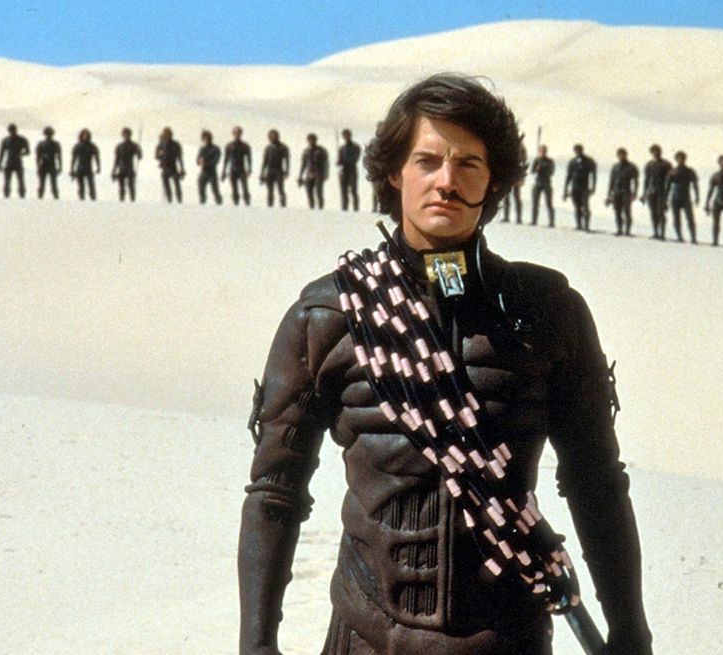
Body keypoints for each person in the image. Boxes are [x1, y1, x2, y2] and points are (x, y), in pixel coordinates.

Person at [238, 72, 652, 655]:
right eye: (427, 161)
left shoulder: (547, 312)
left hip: (507, 641)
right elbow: (274, 492)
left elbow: (597, 483)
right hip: (366, 638)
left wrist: (631, 632)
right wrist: (256, 645)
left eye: (468, 165)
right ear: (394, 173)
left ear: (494, 181)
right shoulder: (327, 316)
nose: (447, 182)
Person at [665, 150, 699, 243]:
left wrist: (697, 197)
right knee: (676, 219)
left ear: (685, 159)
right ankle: (679, 237)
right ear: (676, 159)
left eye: (682, 158)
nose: (680, 160)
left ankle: (693, 238)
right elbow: (667, 187)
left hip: (686, 198)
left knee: (690, 218)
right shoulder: (672, 171)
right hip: (675, 197)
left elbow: (695, 184)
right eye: (679, 158)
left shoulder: (689, 171)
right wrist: (665, 199)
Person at [606, 147, 638, 236]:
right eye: (619, 155)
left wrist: (634, 193)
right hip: (616, 192)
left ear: (626, 155)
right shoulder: (615, 167)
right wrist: (609, 194)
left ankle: (627, 231)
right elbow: (611, 181)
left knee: (627, 212)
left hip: (626, 192)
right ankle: (619, 230)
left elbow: (636, 181)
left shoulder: (631, 167)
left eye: (623, 154)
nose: (621, 156)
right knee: (617, 211)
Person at [641, 144, 671, 240]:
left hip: (661, 192)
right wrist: (644, 193)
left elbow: (669, 180)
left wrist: (667, 193)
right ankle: (655, 233)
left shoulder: (666, 164)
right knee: (653, 213)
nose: (655, 153)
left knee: (661, 213)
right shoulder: (649, 164)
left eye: (657, 151)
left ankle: (662, 234)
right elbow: (646, 179)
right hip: (651, 191)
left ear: (660, 152)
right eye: (653, 151)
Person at [563, 143, 596, 231]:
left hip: (584, 187)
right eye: (576, 150)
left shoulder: (588, 161)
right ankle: (579, 225)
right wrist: (565, 189)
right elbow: (568, 176)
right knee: (577, 207)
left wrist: (593, 187)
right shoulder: (572, 162)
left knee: (585, 206)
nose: (578, 152)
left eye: (579, 150)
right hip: (575, 187)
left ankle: (586, 226)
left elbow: (593, 175)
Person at [0, 123, 30, 199]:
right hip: (9, 162)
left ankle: (22, 196)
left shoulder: (22, 139)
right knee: (7, 181)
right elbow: (1, 153)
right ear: (9, 131)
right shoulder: (5, 140)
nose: (12, 132)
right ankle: (6, 197)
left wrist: (22, 153)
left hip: (18, 162)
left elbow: (28, 151)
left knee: (21, 180)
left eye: (13, 130)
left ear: (16, 130)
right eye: (10, 130)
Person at [260, 129, 291, 208]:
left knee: (280, 189)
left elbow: (287, 160)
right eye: (271, 136)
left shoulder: (283, 147)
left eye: (275, 136)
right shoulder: (268, 148)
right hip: (270, 171)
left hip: (279, 170)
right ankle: (270, 207)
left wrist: (287, 171)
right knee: (270, 191)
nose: (273, 137)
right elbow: (265, 162)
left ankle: (283, 206)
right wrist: (262, 173)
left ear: (278, 136)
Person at [298, 133, 329, 209]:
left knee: (319, 193)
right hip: (309, 173)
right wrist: (300, 176)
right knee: (309, 193)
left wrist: (326, 173)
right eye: (310, 140)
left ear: (316, 140)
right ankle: (311, 209)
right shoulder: (306, 151)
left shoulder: (321, 150)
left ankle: (321, 209)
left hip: (319, 173)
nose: (311, 141)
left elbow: (326, 163)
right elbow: (303, 164)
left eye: (313, 140)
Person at [224, 126, 253, 206]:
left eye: (239, 132)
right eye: (236, 132)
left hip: (241, 170)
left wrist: (249, 169)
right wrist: (224, 171)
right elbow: (226, 159)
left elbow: (249, 159)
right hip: (232, 170)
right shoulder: (229, 145)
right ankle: (235, 205)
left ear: (241, 134)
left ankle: (247, 204)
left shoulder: (245, 146)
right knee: (234, 189)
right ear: (233, 134)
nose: (237, 134)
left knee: (245, 188)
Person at [111, 127, 142, 202]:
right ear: (122, 135)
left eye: (128, 134)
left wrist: (139, 151)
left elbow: (139, 157)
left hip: (130, 169)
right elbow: (116, 160)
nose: (126, 136)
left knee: (131, 186)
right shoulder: (119, 146)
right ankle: (121, 201)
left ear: (130, 135)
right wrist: (113, 171)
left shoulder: (134, 145)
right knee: (121, 187)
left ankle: (132, 201)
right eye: (125, 134)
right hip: (121, 169)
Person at [70, 128, 101, 201]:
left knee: (91, 185)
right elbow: (73, 159)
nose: (85, 137)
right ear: (81, 136)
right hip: (80, 168)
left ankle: (93, 199)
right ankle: (81, 199)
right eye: (83, 135)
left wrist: (98, 167)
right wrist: (72, 169)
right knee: (81, 186)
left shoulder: (92, 146)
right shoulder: (77, 146)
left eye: (86, 135)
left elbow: (97, 157)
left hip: (88, 168)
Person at [156, 127, 185, 203]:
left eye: (169, 134)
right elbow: (156, 156)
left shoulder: (176, 145)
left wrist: (182, 169)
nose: (167, 136)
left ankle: (179, 201)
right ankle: (169, 201)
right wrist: (160, 154)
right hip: (165, 167)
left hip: (173, 167)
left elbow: (180, 158)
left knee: (177, 184)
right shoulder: (161, 144)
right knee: (166, 186)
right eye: (166, 134)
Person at [501, 142, 527, 223]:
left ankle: (519, 218)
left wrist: (521, 179)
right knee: (506, 198)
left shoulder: (522, 151)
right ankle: (506, 216)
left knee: (516, 198)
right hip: (509, 177)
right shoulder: (509, 149)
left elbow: (523, 166)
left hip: (516, 177)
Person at [529, 145, 555, 227]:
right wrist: (537, 169)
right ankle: (534, 220)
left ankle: (551, 222)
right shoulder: (537, 160)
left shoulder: (549, 161)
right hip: (538, 183)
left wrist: (543, 169)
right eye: (541, 151)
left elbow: (551, 172)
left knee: (549, 203)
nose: (542, 152)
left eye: (544, 151)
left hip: (546, 183)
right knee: (535, 203)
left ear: (546, 152)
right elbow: (532, 171)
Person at [35, 126, 62, 200]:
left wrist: (60, 167)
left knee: (54, 184)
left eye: (50, 134)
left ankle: (56, 198)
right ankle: (40, 198)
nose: (49, 135)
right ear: (45, 134)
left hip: (52, 165)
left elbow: (59, 156)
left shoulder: (56, 144)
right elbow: (38, 157)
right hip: (43, 165)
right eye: (47, 133)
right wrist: (38, 167)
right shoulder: (41, 144)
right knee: (41, 184)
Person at [337, 128, 361, 212]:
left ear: (350, 135)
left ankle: (356, 208)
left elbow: (355, 158)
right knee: (344, 191)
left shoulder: (356, 147)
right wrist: (339, 162)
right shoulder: (341, 148)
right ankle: (344, 208)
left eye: (347, 135)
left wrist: (345, 161)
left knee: (353, 190)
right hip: (344, 171)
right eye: (344, 135)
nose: (346, 137)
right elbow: (339, 159)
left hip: (352, 170)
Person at [197, 130, 223, 205]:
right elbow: (197, 160)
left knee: (215, 191)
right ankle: (202, 205)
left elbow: (216, 161)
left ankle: (219, 206)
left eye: (208, 138)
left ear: (211, 138)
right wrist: (199, 161)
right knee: (201, 191)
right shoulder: (202, 149)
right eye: (204, 138)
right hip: (203, 173)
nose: (206, 140)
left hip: (212, 174)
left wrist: (205, 163)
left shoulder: (215, 149)